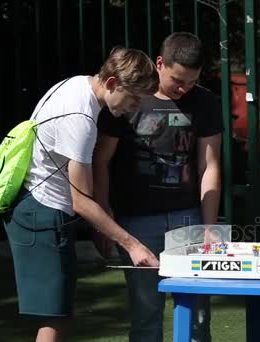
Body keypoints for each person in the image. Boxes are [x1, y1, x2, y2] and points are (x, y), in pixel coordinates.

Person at [3, 47, 160, 342]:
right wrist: (133, 244)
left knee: (59, 313)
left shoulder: (76, 84)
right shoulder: (81, 118)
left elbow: (84, 195)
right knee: (56, 318)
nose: (134, 107)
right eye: (133, 98)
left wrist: (104, 220)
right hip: (43, 213)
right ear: (112, 83)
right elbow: (81, 200)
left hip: (40, 207)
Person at [93, 32, 222, 342]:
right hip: (136, 221)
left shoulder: (204, 101)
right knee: (146, 314)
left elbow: (210, 166)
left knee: (197, 316)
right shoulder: (130, 96)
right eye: (178, 80)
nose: (184, 88)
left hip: (187, 216)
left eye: (191, 82)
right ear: (160, 63)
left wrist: (208, 223)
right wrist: (104, 219)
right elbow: (101, 161)